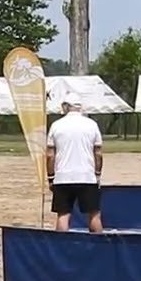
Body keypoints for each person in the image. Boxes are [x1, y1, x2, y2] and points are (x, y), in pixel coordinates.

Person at [45, 99, 104, 233]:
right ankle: (101, 248)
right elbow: (98, 153)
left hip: (63, 177)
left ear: (66, 107)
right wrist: (97, 174)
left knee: (63, 215)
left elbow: (50, 155)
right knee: (94, 215)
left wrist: (50, 177)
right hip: (87, 176)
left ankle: (61, 247)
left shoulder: (56, 125)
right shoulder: (92, 125)